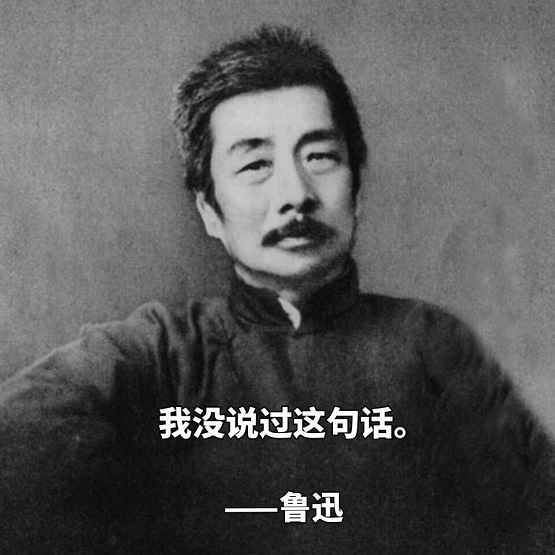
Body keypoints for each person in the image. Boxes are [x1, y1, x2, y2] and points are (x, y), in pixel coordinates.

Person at [0, 25, 553, 554]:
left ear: (357, 190)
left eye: (320, 157)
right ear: (209, 210)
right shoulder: (161, 355)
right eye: (256, 165)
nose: (296, 194)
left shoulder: (433, 345)